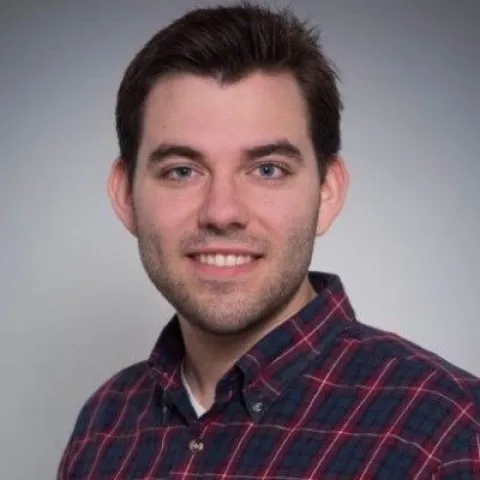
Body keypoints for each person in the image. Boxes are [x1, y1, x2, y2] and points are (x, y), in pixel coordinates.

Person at [58, 2, 480, 478]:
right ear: (125, 196)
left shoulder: (449, 435)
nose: (222, 212)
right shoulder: (104, 425)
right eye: (181, 171)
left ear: (327, 191)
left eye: (267, 170)